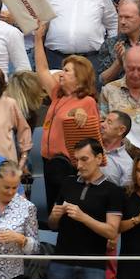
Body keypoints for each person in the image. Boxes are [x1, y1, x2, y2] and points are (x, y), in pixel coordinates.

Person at [34, 20, 101, 211]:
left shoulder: (87, 102)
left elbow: (92, 133)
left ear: (79, 77)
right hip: (49, 163)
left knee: (65, 213)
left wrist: (78, 113)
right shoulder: (57, 94)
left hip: (70, 168)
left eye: (66, 70)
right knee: (53, 213)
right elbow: (42, 70)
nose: (60, 74)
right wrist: (38, 39)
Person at [47, 138, 123, 279]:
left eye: (84, 159)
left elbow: (111, 231)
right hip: (61, 261)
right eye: (77, 160)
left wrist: (83, 217)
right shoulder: (68, 183)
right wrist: (54, 216)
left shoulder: (113, 190)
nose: (79, 165)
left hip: (93, 265)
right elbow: (52, 225)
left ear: (99, 158)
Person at [99, 46, 140, 156]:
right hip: (117, 155)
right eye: (131, 68)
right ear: (124, 65)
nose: (135, 74)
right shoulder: (109, 91)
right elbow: (100, 126)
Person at [98, 0, 140, 83]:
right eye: (120, 17)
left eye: (128, 17)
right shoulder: (110, 44)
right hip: (116, 94)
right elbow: (102, 80)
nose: (122, 22)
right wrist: (119, 62)